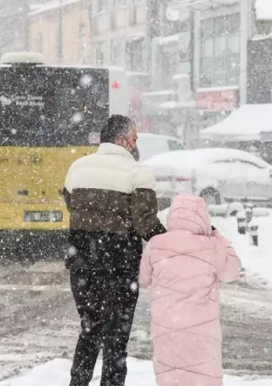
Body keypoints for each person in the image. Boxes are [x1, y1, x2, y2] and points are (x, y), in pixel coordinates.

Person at [62, 114, 166, 386]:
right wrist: (170, 242)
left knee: (90, 331)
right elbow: (145, 223)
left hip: (82, 265)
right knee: (116, 340)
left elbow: (72, 206)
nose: (135, 143)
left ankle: (78, 382)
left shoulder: (78, 167)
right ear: (122, 140)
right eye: (134, 138)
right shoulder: (138, 173)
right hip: (120, 266)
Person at [139, 194, 241, 386]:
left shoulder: (155, 244)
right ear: (203, 217)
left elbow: (144, 278)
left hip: (167, 329)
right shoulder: (212, 246)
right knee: (202, 377)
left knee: (171, 377)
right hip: (202, 331)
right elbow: (233, 271)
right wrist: (218, 236)